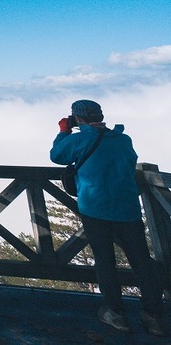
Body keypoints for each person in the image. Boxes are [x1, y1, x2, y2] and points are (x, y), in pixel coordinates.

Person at [50, 99, 166, 337]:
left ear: (77, 118)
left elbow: (57, 156)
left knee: (105, 261)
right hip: (128, 209)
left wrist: (63, 131)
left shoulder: (80, 139)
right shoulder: (123, 139)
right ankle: (153, 316)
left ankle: (115, 312)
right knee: (143, 263)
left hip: (96, 209)